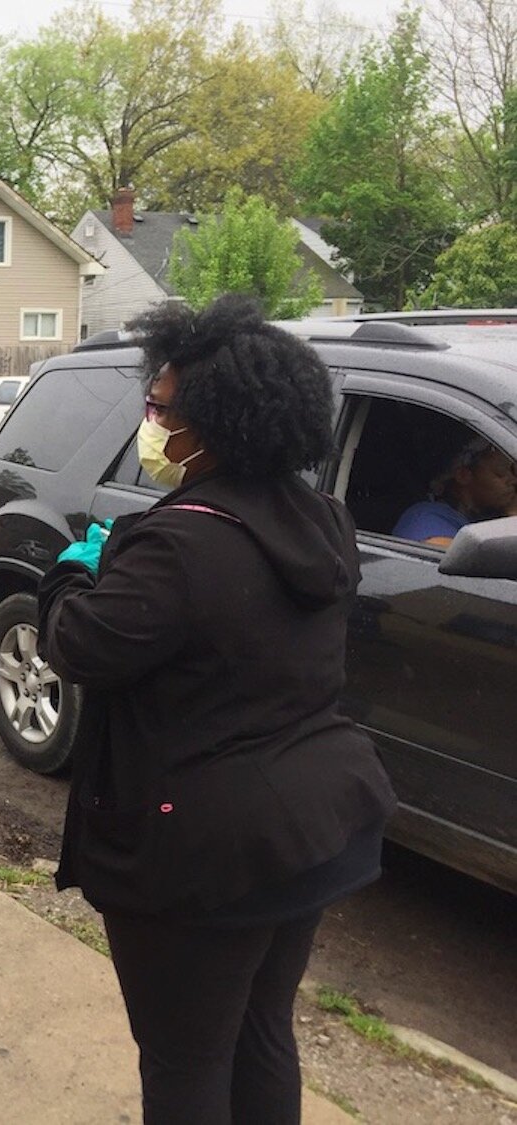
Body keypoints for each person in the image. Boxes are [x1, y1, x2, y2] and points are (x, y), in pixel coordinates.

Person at [37, 295, 396, 1124]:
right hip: (307, 831)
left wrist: (70, 569)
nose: (148, 418)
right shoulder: (322, 519)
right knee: (262, 1029)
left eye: (160, 406)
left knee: (185, 1060)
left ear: (216, 422)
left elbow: (80, 645)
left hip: (203, 852)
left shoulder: (178, 545)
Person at [391, 435, 517, 546]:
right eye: (500, 473)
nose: (513, 481)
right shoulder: (426, 519)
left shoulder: (481, 516)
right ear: (463, 475)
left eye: (512, 472)